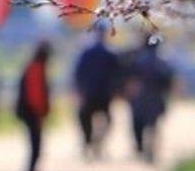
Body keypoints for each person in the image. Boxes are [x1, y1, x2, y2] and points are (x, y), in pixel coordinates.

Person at [73, 21, 119, 157]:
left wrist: (79, 90)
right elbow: (118, 74)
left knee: (86, 119)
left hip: (93, 93)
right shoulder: (109, 53)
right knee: (106, 121)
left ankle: (90, 142)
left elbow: (78, 73)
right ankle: (94, 142)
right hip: (102, 93)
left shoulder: (88, 52)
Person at [125, 37, 174, 163]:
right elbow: (169, 83)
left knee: (138, 125)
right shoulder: (163, 62)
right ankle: (151, 149)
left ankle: (141, 147)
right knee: (153, 125)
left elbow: (131, 81)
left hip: (140, 98)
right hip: (157, 98)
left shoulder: (137, 61)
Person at [15, 41, 52, 171]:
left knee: (35, 142)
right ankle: (31, 170)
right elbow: (36, 94)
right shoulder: (36, 68)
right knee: (36, 142)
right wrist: (41, 113)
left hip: (29, 111)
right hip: (32, 112)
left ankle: (32, 168)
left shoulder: (33, 66)